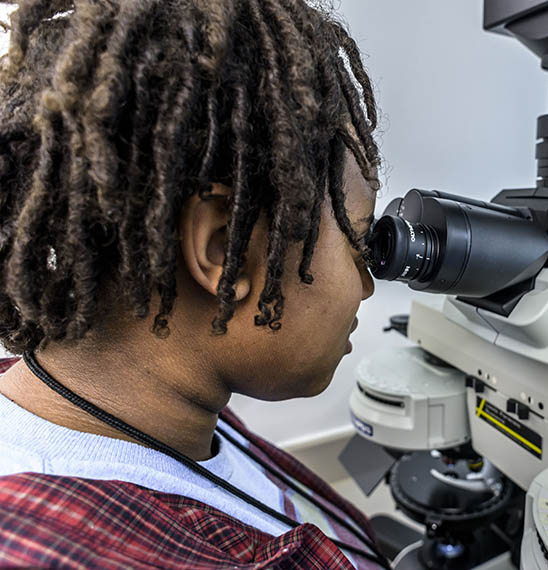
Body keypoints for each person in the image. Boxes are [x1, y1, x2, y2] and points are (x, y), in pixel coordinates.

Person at [0, 0, 388, 568]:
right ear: (221, 249)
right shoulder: (69, 553)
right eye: (357, 240)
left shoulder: (153, 410)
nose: (368, 284)